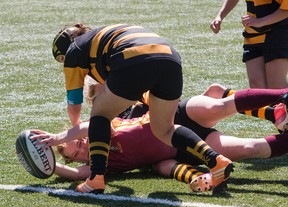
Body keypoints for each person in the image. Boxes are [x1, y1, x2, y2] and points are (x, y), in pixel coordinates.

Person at [51, 23, 234, 194]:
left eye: (62, 61)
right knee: (165, 129)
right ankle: (216, 161)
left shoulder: (74, 51)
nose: (64, 65)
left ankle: (96, 180)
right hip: (170, 57)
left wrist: (78, 128)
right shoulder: (102, 37)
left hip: (134, 59)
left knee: (99, 116)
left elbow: (74, 103)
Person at [33, 82, 288, 193]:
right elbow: (77, 174)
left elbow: (85, 128)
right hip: (184, 148)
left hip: (177, 115)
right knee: (249, 148)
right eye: (77, 153)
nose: (82, 147)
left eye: (78, 143)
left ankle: (282, 95)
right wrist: (49, 166)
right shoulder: (100, 166)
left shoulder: (101, 127)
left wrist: (56, 138)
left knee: (217, 106)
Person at [210, 0, 288, 89]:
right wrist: (220, 16)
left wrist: (260, 21)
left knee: (276, 85)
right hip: (252, 33)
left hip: (280, 32)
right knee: (257, 87)